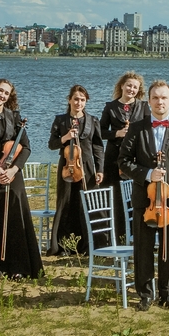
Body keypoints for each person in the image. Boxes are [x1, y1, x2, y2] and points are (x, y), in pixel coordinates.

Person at [118, 80, 169, 309]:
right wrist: (147, 174)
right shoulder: (137, 128)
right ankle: (145, 294)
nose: (159, 102)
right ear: (149, 101)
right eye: (155, 98)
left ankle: (167, 293)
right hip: (146, 198)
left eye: (163, 98)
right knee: (143, 248)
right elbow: (123, 162)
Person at [0, 79, 42, 281]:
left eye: (6, 93)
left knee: (15, 219)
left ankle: (17, 266)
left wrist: (13, 170)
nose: (2, 95)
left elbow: (26, 148)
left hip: (13, 176)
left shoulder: (15, 117)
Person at [47, 85, 105, 256]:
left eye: (82, 100)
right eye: (76, 99)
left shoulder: (93, 121)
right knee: (65, 203)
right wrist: (65, 138)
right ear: (69, 100)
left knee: (86, 203)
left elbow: (98, 147)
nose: (79, 103)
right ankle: (63, 245)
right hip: (67, 166)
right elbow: (51, 144)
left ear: (86, 101)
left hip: (86, 167)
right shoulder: (60, 120)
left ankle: (87, 244)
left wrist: (100, 169)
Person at [99, 71, 149, 238]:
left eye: (135, 87)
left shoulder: (143, 106)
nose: (131, 89)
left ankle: (135, 233)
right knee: (114, 194)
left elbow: (149, 129)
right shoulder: (110, 107)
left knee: (134, 193)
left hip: (136, 157)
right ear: (121, 86)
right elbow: (100, 132)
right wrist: (116, 134)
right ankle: (114, 234)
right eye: (129, 85)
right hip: (114, 157)